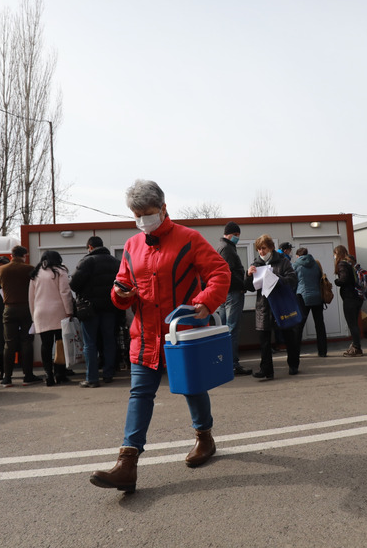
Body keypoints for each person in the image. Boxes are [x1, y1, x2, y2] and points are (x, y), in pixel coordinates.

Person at [90, 180, 230, 494]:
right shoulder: (131, 246)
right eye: (136, 214)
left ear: (163, 208)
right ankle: (127, 462)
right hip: (144, 336)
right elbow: (121, 288)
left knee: (191, 389)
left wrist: (204, 303)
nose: (142, 220)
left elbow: (220, 272)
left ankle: (204, 438)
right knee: (139, 394)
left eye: (147, 213)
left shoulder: (189, 239)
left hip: (180, 335)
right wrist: (120, 293)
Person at [245, 234, 301, 379]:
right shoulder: (256, 264)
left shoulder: (283, 262)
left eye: (264, 248)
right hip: (264, 306)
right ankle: (266, 370)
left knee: (289, 337)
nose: (261, 252)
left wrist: (277, 279)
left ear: (271, 248)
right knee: (264, 341)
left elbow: (293, 279)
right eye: (259, 249)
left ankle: (293, 364)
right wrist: (248, 275)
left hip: (281, 304)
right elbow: (249, 287)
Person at [70, 236, 122, 387]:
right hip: (111, 307)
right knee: (109, 340)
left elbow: (74, 284)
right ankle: (108, 374)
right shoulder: (115, 262)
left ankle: (92, 378)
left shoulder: (87, 262)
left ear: (90, 247)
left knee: (90, 343)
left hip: (90, 308)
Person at [29, 250, 75, 386]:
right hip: (58, 311)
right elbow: (65, 292)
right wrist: (69, 311)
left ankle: (48, 375)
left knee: (46, 345)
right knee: (60, 344)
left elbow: (31, 297)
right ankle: (59, 373)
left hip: (40, 313)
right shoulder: (60, 271)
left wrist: (33, 315)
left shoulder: (35, 274)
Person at [0, 245, 41, 387]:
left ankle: (7, 377)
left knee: (9, 343)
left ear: (11, 255)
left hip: (9, 309)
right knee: (26, 342)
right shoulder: (29, 269)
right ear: (24, 256)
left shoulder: (2, 270)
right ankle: (28, 375)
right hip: (26, 308)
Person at [216, 222, 252, 375]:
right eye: (236, 235)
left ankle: (224, 362)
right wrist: (243, 284)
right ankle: (232, 363)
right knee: (232, 329)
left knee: (224, 328)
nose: (238, 238)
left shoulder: (221, 247)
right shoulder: (228, 249)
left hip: (224, 294)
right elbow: (229, 273)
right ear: (230, 234)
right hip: (233, 293)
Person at [292, 247, 328, 357]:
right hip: (317, 297)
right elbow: (319, 278)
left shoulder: (295, 265)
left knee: (299, 326)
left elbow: (293, 282)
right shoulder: (316, 264)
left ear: (298, 256)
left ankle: (296, 352)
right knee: (320, 325)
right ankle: (322, 351)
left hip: (302, 297)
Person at [333, 245, 364, 357]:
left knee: (352, 324)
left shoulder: (342, 264)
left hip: (349, 297)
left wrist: (337, 281)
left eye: (335, 253)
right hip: (357, 296)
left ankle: (356, 347)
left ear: (338, 253)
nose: (334, 256)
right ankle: (356, 345)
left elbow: (344, 279)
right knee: (354, 322)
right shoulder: (350, 263)